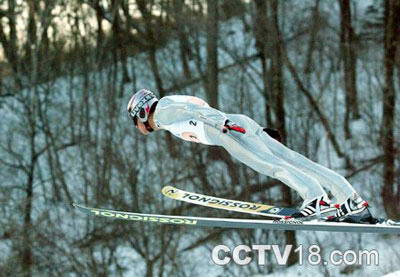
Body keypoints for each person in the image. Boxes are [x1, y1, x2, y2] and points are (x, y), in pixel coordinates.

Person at [127, 89, 371, 221]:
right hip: (237, 125)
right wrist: (254, 131)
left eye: (134, 121)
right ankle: (349, 199)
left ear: (141, 113)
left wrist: (224, 123)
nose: (137, 127)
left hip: (226, 131)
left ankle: (316, 197)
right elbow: (198, 107)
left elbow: (196, 109)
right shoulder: (167, 108)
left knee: (272, 165)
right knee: (295, 161)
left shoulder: (163, 112)